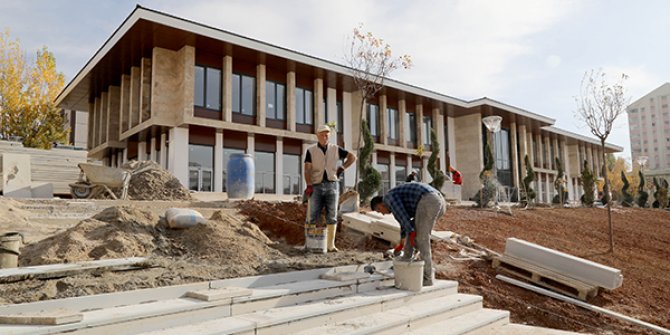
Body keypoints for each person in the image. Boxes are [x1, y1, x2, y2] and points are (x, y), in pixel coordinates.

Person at [370, 182, 447, 286]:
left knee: (421, 239)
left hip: (428, 200)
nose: (382, 213)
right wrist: (402, 242)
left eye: (379, 210)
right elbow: (404, 221)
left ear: (381, 203)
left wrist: (410, 236)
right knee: (416, 232)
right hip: (438, 200)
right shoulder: (394, 197)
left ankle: (427, 278)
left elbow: (404, 220)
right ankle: (406, 259)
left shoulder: (388, 198)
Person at [304, 124, 356, 252]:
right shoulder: (311, 151)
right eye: (322, 134)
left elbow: (352, 157)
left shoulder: (335, 149)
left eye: (327, 134)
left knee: (332, 215)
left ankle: (330, 246)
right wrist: (309, 185)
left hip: (332, 184)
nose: (325, 136)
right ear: (317, 136)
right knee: (312, 215)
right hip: (316, 185)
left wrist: (343, 167)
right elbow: (307, 169)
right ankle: (309, 243)